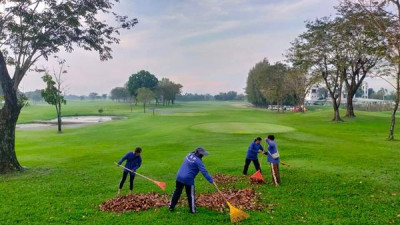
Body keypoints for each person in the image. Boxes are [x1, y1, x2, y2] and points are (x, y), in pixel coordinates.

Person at [169, 147, 214, 213]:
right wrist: (211, 180)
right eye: (202, 154)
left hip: (179, 176)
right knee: (191, 195)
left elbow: (192, 155)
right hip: (188, 179)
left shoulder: (189, 154)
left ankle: (171, 207)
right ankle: (192, 211)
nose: (203, 156)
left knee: (177, 192)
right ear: (200, 154)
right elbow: (204, 172)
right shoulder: (199, 162)